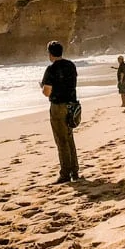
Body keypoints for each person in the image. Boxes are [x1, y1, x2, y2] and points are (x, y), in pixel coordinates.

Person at [41, 40, 79, 184]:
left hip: (58, 107)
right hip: (72, 105)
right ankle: (75, 171)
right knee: (69, 138)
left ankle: (65, 174)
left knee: (61, 140)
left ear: (50, 54)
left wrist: (42, 88)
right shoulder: (71, 65)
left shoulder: (51, 69)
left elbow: (47, 92)